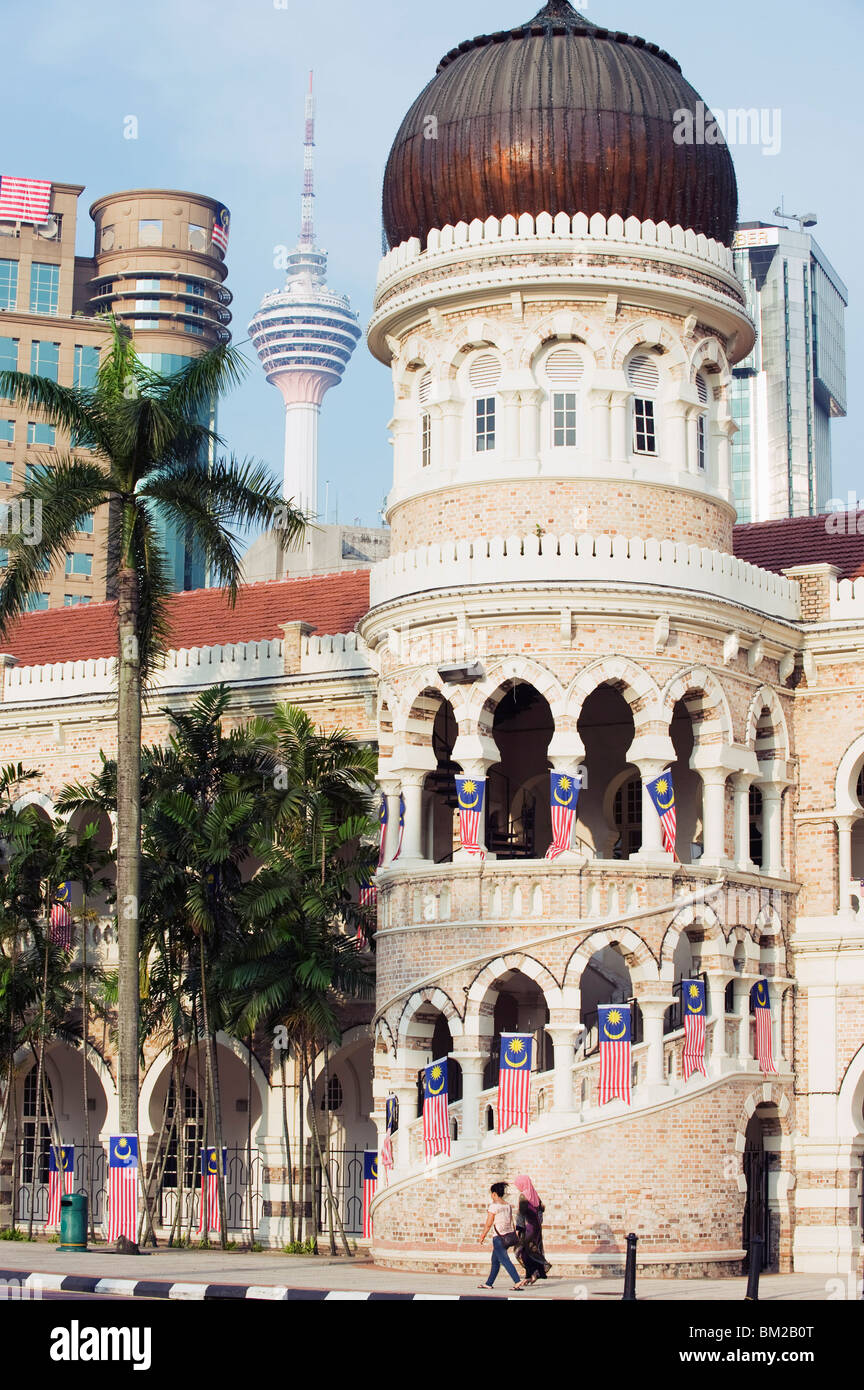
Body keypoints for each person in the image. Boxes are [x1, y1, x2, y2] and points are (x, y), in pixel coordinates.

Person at [478, 1181, 524, 1291]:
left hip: (498, 1238)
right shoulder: (507, 1206)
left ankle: (517, 1281)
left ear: (494, 1194)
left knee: (504, 1260)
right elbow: (511, 1221)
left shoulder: (493, 1206)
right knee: (495, 1260)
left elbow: (489, 1223)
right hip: (508, 1237)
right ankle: (489, 1283)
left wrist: (482, 1235)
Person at [513, 1174, 551, 1285]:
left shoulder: (523, 1196)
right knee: (532, 1250)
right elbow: (540, 1211)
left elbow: (521, 1214)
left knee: (521, 1251)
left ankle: (530, 1274)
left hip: (527, 1228)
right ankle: (532, 1274)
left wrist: (518, 1228)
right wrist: (538, 1225)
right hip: (536, 1228)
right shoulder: (535, 1196)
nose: (518, 1187)